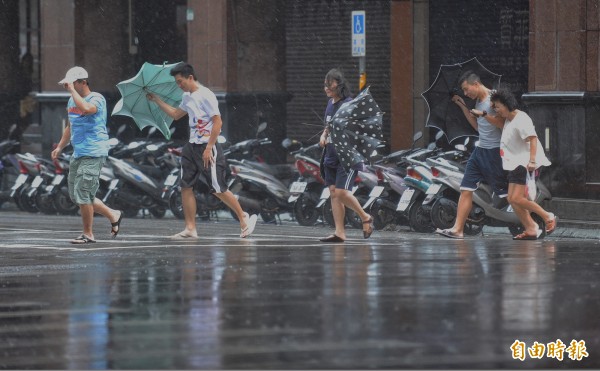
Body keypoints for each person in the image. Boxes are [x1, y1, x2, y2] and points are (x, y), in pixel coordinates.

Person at [146, 62, 257, 239]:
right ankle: (190, 228)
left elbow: (218, 122)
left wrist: (209, 147)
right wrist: (157, 100)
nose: (179, 85)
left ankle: (243, 217)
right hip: (191, 146)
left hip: (207, 145)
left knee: (217, 188)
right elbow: (175, 115)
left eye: (180, 81)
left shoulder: (206, 95)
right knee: (185, 186)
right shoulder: (187, 97)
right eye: (177, 82)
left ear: (190, 77)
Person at [51, 66, 123, 244]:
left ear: (82, 82)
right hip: (78, 152)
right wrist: (60, 146)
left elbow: (86, 109)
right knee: (77, 196)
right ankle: (113, 214)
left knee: (83, 192)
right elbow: (70, 126)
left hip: (94, 151)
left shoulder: (97, 98)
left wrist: (73, 92)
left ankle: (88, 234)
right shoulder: (71, 101)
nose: (67, 87)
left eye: (71, 84)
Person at [436, 71, 508, 239]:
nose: (466, 93)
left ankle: (538, 220)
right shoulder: (477, 101)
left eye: (467, 89)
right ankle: (457, 229)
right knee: (466, 188)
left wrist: (484, 114)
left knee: (508, 194)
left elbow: (503, 124)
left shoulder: (494, 99)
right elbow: (477, 127)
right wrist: (462, 105)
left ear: (476, 84)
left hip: (495, 151)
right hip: (480, 150)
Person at [490, 88, 556, 239]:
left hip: (524, 164)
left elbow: (533, 139)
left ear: (506, 104)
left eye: (497, 106)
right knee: (511, 199)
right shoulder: (508, 119)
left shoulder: (521, 119)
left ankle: (548, 216)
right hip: (514, 163)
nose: (496, 110)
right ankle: (531, 227)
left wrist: (532, 161)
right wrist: (484, 114)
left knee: (518, 198)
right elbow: (496, 121)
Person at [318, 68, 373, 242]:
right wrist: (324, 135)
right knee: (334, 193)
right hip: (330, 155)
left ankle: (365, 217)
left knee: (342, 192)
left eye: (330, 83)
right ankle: (339, 232)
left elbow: (357, 129)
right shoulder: (330, 104)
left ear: (339, 84)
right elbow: (329, 125)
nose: (326, 87)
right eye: (325, 84)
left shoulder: (349, 104)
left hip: (346, 156)